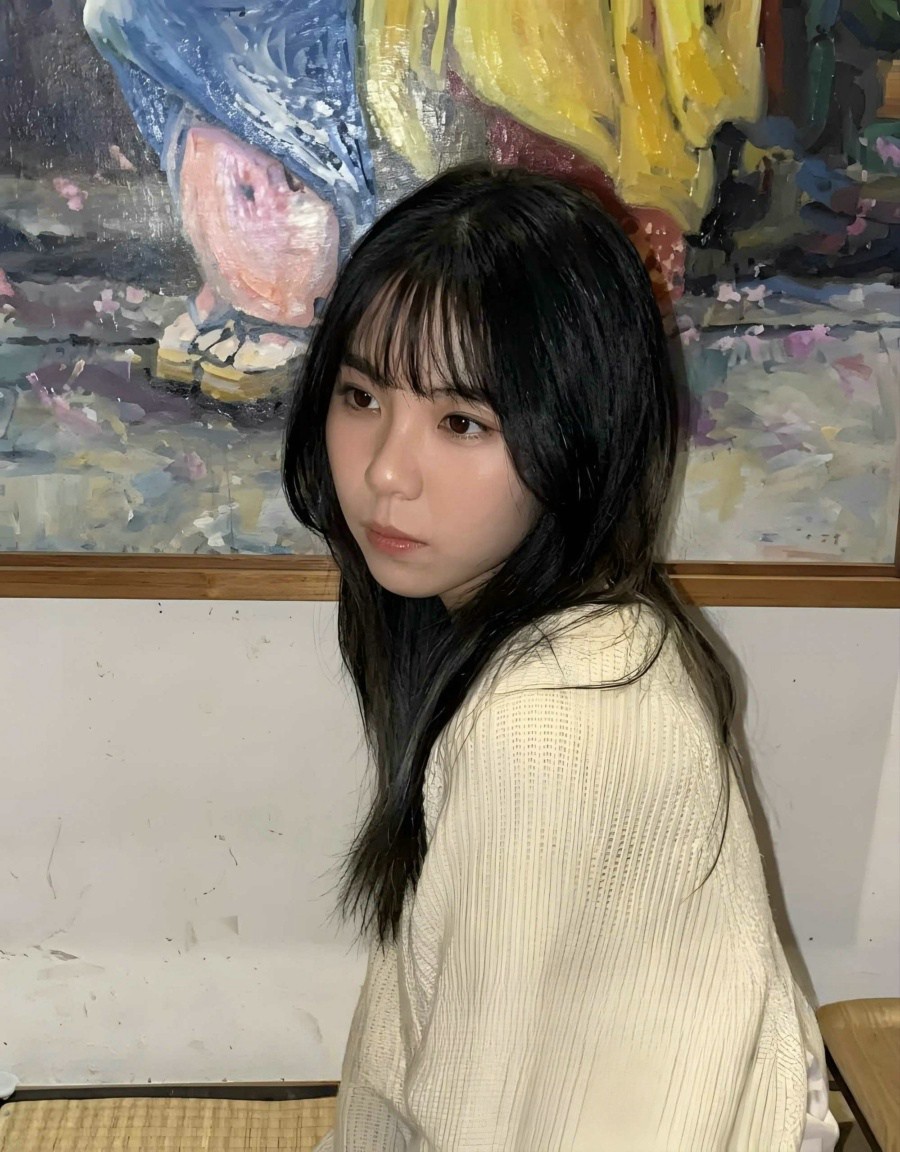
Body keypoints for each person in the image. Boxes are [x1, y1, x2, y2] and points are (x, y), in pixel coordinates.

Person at [282, 164, 839, 1151]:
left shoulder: (550, 727)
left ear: (577, 434)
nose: (386, 470)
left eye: (462, 422)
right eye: (362, 395)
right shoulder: (553, 632)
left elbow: (497, 1120)